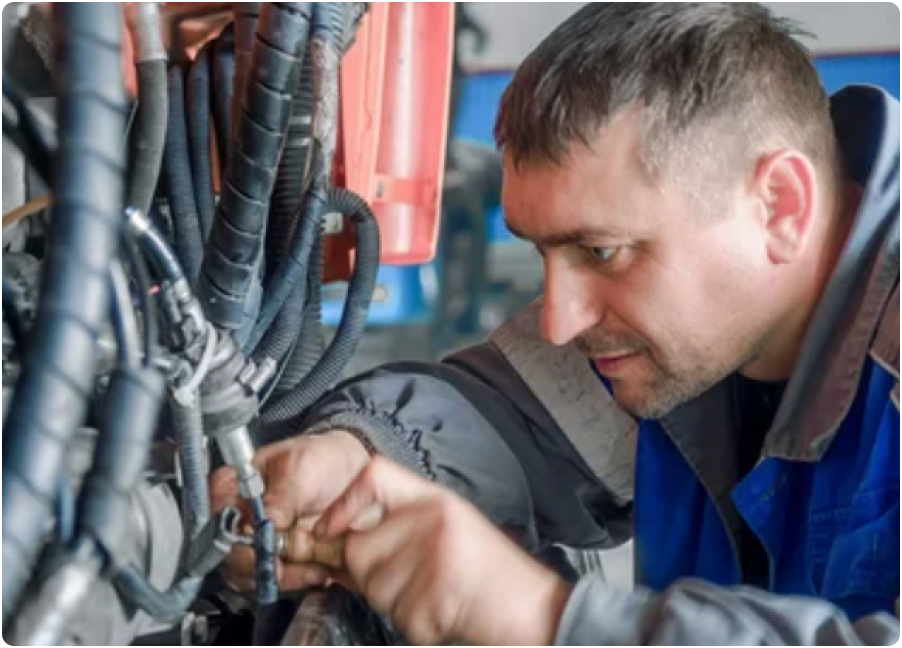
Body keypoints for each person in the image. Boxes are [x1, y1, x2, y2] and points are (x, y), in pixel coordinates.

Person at [211, 3, 900, 644]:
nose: (560, 321)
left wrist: (542, 616)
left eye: (601, 252)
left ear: (780, 205)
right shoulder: (695, 321)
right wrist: (353, 455)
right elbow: (508, 415)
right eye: (544, 253)